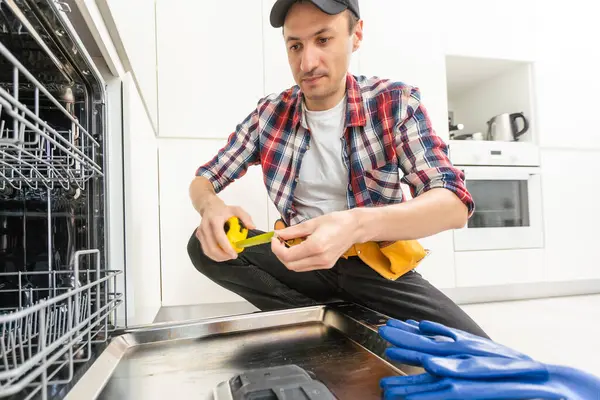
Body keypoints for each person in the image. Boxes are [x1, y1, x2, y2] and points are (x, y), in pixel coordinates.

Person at [187, 0, 489, 338]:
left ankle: (327, 324)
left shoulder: (394, 102)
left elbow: (453, 204)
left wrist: (355, 225)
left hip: (376, 268)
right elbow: (205, 179)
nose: (307, 62)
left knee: (478, 351)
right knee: (203, 245)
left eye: (323, 40)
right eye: (295, 45)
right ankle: (334, 326)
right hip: (301, 262)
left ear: (355, 35)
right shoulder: (269, 114)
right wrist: (211, 207)